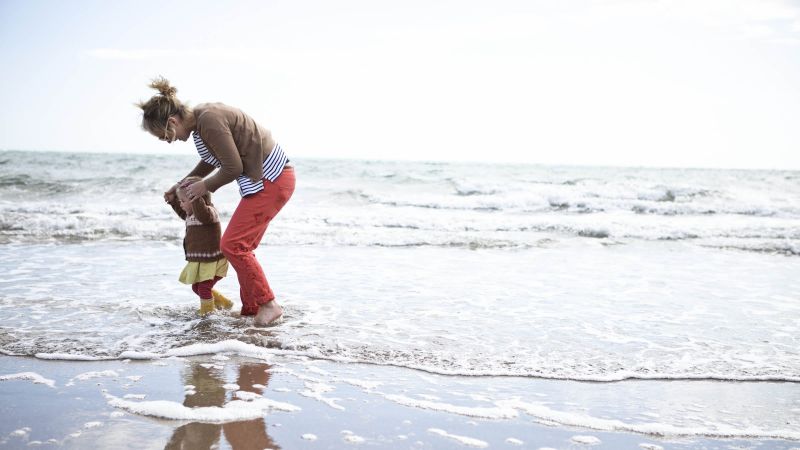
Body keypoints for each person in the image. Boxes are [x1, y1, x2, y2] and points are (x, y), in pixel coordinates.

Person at [138, 76, 295, 326]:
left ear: (172, 121)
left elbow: (233, 167)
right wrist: (182, 184)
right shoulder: (201, 122)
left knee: (233, 245)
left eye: (163, 135)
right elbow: (212, 160)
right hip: (269, 181)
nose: (167, 141)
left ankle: (269, 305)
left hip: (273, 180)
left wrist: (202, 187)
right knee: (241, 247)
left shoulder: (209, 120)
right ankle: (253, 309)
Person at [168, 177, 234, 316]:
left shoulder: (209, 213)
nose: (181, 204)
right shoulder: (191, 215)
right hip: (202, 261)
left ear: (196, 199)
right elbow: (183, 213)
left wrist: (195, 198)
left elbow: (203, 214)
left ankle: (207, 313)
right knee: (196, 287)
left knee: (203, 288)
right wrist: (172, 201)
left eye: (183, 201)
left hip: (213, 261)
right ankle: (223, 302)